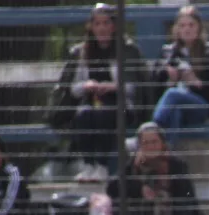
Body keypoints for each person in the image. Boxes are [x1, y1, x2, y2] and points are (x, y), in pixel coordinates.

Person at [47, 3, 146, 183]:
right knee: (83, 115)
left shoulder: (127, 50)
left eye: (106, 23)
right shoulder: (80, 52)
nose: (102, 28)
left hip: (120, 104)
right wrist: (87, 85)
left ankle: (101, 166)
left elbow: (133, 87)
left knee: (104, 114)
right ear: (91, 26)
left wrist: (112, 86)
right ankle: (88, 165)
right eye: (98, 24)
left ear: (114, 26)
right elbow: (72, 88)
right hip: (90, 100)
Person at [106, 122, 204, 215]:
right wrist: (139, 189)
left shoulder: (176, 165)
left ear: (162, 143)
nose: (151, 146)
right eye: (146, 143)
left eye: (154, 142)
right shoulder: (134, 165)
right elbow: (112, 187)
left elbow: (185, 201)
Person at [149, 5, 209, 140]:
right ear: (177, 29)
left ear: (199, 28)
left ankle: (152, 130)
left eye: (191, 25)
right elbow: (152, 87)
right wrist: (170, 81)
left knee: (172, 95)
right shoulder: (168, 52)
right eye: (183, 25)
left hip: (201, 106)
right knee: (175, 112)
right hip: (175, 107)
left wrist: (197, 82)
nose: (187, 29)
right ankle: (168, 153)